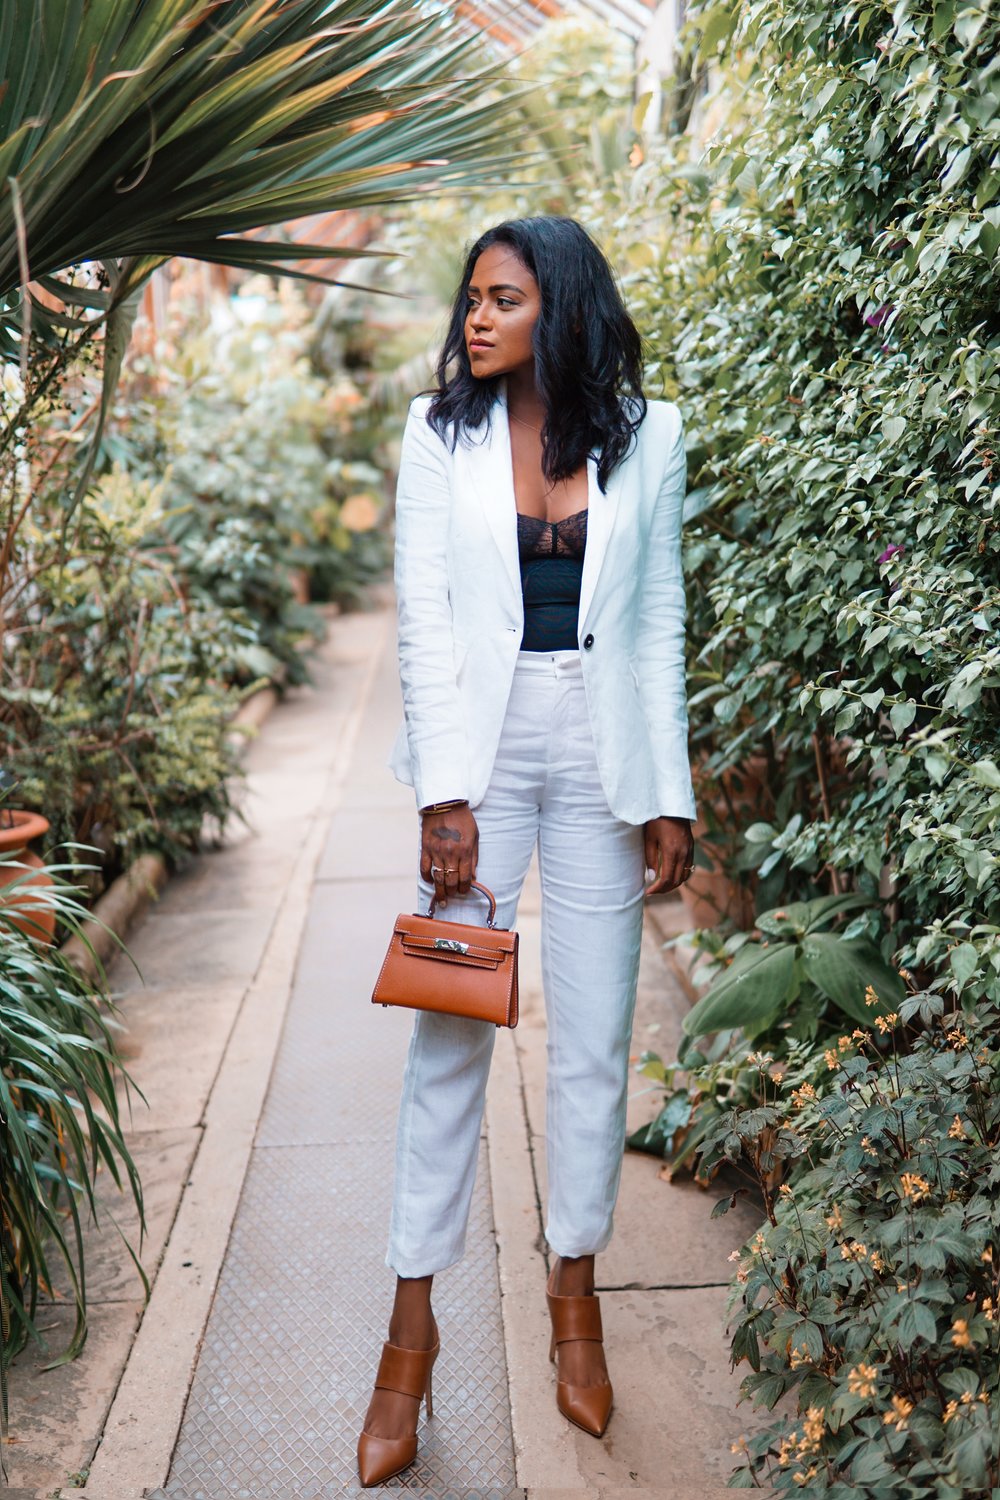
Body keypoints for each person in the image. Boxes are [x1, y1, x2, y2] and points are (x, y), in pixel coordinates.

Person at [357, 215, 695, 1487]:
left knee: (594, 1044)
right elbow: (422, 619)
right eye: (470, 299)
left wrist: (666, 787)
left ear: (561, 304)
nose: (476, 319)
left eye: (503, 298)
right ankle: (408, 1332)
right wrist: (445, 794)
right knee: (449, 1031)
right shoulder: (434, 435)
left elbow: (656, 617)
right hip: (482, 762)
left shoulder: (650, 435)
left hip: (601, 756)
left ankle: (574, 1301)